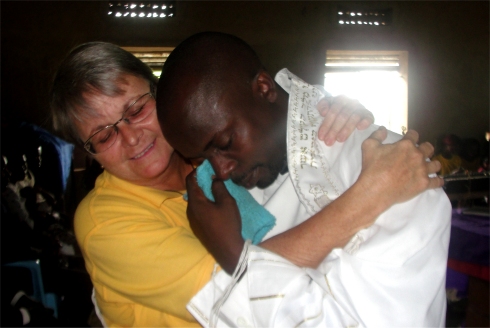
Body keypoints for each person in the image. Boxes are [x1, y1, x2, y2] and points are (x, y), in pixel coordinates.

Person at [50, 42, 392, 327]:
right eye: (104, 135)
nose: (131, 137)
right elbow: (241, 287)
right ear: (88, 153)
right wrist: (369, 197)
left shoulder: (209, 155)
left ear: (160, 96)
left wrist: (330, 115)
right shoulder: (104, 222)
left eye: (137, 109)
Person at [156, 32, 451, 327]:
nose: (221, 171)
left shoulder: (398, 174)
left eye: (225, 141)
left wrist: (238, 258)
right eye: (201, 158)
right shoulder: (221, 199)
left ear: (263, 87)